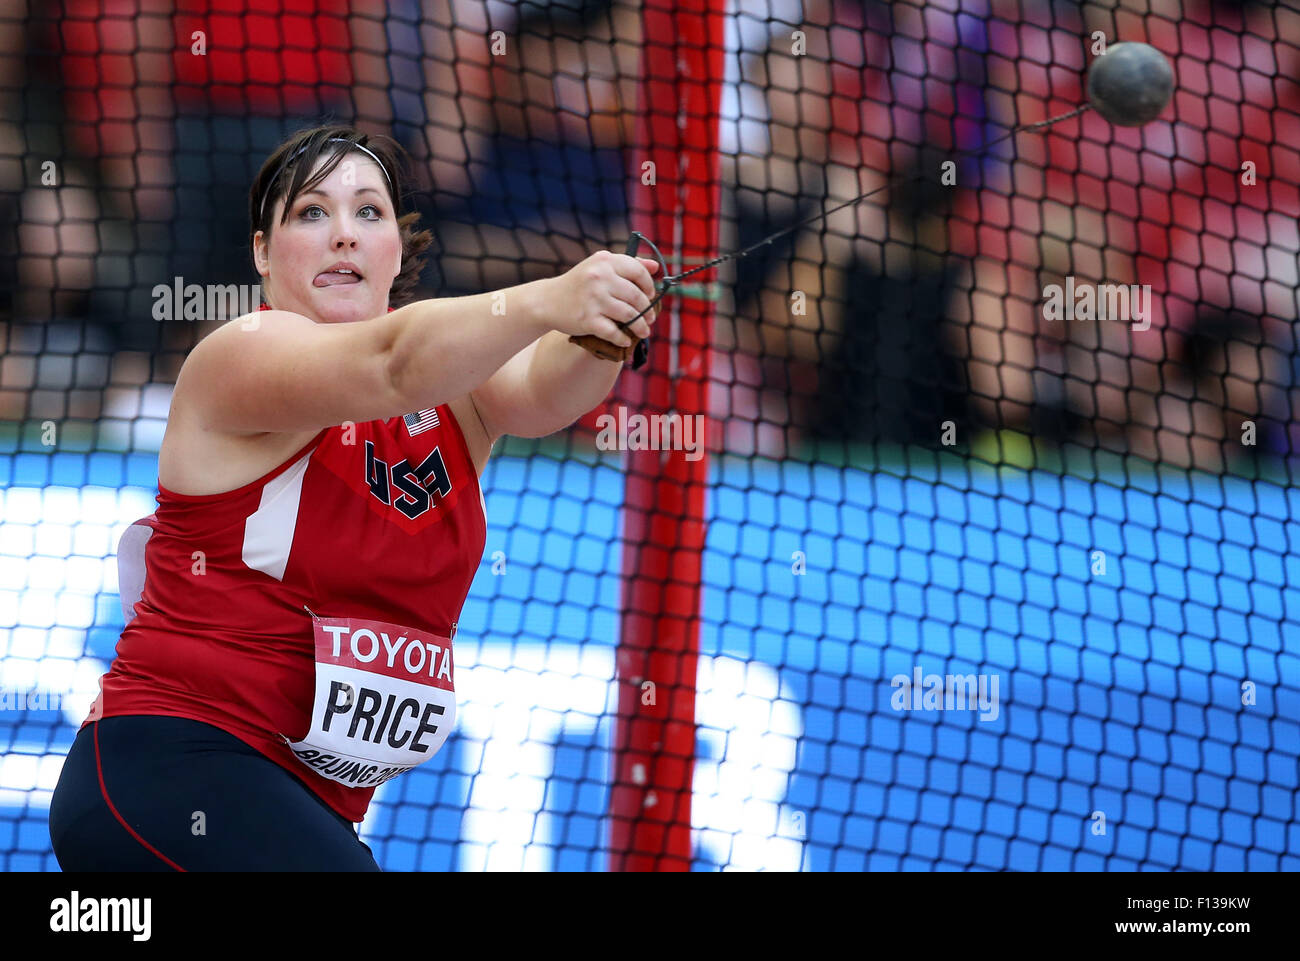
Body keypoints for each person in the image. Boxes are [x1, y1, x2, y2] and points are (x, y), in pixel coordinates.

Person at [47, 124, 659, 871]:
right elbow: (393, 362)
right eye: (311, 213)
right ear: (263, 255)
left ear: (395, 251)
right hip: (170, 767)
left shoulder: (452, 392)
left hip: (303, 810)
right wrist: (555, 297)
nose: (344, 233)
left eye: (369, 212)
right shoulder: (240, 353)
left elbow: (539, 393)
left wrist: (602, 327)